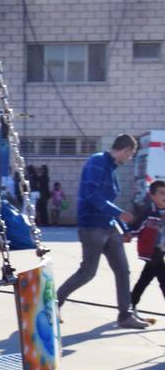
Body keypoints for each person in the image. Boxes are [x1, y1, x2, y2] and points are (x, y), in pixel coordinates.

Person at [55, 134, 149, 329]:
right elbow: (92, 195)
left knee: (123, 271)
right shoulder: (97, 162)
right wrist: (119, 214)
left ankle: (125, 316)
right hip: (92, 226)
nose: (130, 158)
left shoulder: (111, 168)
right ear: (126, 150)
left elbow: (108, 201)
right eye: (131, 154)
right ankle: (53, 304)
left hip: (108, 226)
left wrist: (123, 228)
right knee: (87, 272)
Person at [127, 180, 165, 313]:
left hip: (161, 251)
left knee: (145, 278)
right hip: (151, 250)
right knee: (163, 278)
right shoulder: (148, 212)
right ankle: (130, 305)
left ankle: (130, 303)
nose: (164, 196)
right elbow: (136, 227)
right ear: (152, 196)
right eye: (161, 193)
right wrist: (128, 235)